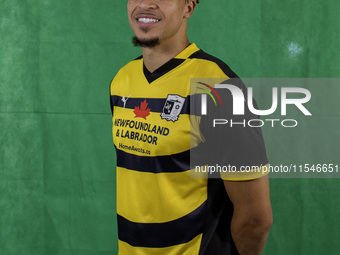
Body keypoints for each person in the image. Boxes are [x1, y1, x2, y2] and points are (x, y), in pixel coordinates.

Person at [110, 0, 273, 254]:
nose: (145, 4)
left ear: (189, 7)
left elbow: (256, 219)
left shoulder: (218, 89)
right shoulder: (122, 80)